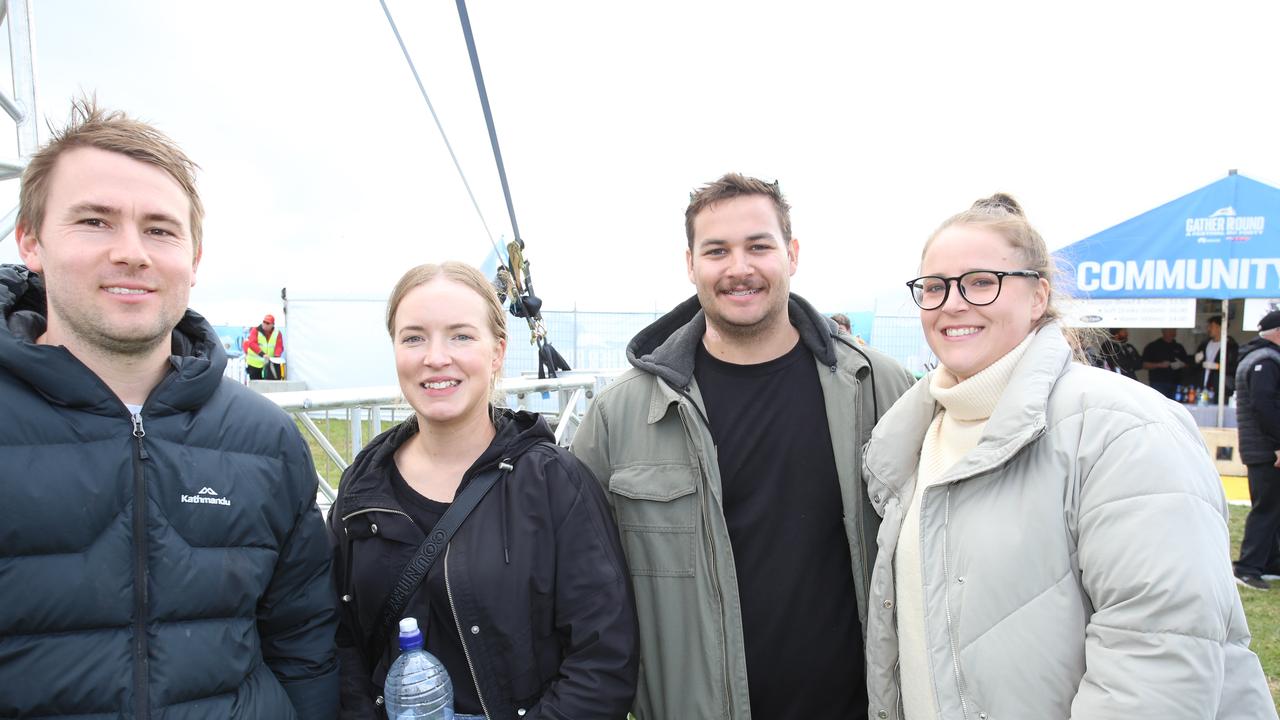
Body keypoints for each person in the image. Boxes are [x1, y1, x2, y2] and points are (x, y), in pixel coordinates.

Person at [862, 192, 1274, 719]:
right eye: (934, 287)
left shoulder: (1123, 427)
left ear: (1038, 297)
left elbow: (1159, 651)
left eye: (982, 282)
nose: (953, 302)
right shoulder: (917, 437)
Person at [0, 100, 338, 717]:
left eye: (159, 229)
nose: (132, 252)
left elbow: (304, 641)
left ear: (195, 259)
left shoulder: (266, 439)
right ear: (31, 242)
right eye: (95, 221)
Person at [572, 173, 915, 719]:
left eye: (759, 246)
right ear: (690, 265)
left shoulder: (881, 388)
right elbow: (577, 581)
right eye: (717, 251)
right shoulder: (621, 414)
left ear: (792, 254)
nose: (739, 268)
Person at [329, 261, 637, 719]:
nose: (436, 357)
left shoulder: (553, 483)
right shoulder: (363, 486)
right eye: (414, 337)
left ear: (497, 352)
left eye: (461, 335)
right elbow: (338, 640)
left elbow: (603, 658)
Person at [1233, 310, 1280, 590]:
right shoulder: (1265, 361)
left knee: (1274, 508)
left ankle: (1270, 562)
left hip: (1265, 448)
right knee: (1266, 509)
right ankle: (1248, 568)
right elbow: (1264, 408)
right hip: (1267, 451)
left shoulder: (1261, 358)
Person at [1193, 314, 1239, 399]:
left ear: (1220, 328)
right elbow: (1196, 366)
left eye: (1211, 326)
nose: (1208, 329)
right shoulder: (1204, 345)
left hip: (1221, 388)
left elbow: (1234, 367)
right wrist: (1196, 361)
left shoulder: (1231, 346)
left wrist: (1218, 366)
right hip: (1203, 386)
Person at [1142, 327, 1190, 399]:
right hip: (1158, 383)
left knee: (1175, 405)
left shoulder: (1179, 347)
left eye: (1174, 330)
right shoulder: (1153, 346)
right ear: (1163, 331)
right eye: (1170, 330)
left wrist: (1181, 364)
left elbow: (1187, 364)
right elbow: (1144, 365)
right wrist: (1159, 365)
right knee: (1159, 404)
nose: (1172, 332)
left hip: (1176, 383)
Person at [245, 312, 284, 379]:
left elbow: (279, 346)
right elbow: (252, 344)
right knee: (255, 385)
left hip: (269, 364)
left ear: (272, 325)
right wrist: (262, 354)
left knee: (270, 384)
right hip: (254, 364)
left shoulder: (277, 333)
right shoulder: (255, 330)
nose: (265, 324)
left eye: (267, 323)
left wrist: (276, 357)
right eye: (264, 322)